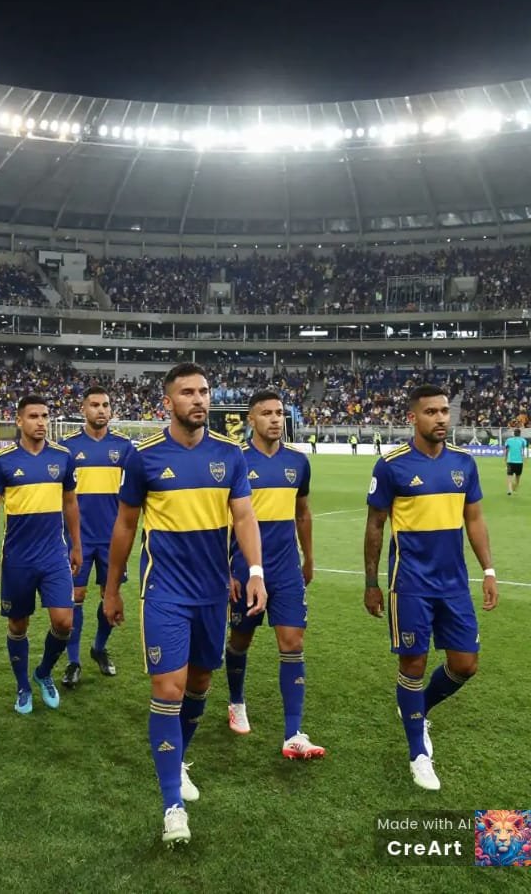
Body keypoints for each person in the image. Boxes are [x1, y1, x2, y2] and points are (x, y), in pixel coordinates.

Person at [104, 362, 267, 847]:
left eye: (204, 391)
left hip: (214, 592)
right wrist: (112, 588)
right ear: (168, 402)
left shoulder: (230, 456)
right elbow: (126, 527)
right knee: (169, 689)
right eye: (188, 392)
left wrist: (255, 572)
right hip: (165, 592)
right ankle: (172, 803)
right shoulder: (144, 457)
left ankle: (178, 760)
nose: (199, 400)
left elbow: (244, 517)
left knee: (199, 683)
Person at [363, 384, 498, 792]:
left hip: (454, 584)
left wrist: (489, 570)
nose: (441, 418)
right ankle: (418, 753)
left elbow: (474, 520)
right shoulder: (392, 466)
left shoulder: (464, 464)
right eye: (431, 412)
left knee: (465, 664)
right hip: (410, 584)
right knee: (414, 666)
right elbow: (375, 526)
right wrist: (371, 582)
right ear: (413, 418)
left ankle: (417, 711)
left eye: (444, 411)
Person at [226, 390, 325, 759]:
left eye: (279, 413)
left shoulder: (297, 462)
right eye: (266, 413)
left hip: (285, 567)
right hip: (244, 569)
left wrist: (309, 557)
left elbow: (303, 512)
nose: (275, 419)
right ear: (251, 419)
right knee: (240, 641)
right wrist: (227, 569)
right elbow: (223, 520)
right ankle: (236, 701)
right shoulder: (235, 460)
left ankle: (294, 733)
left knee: (292, 642)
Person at [0, 395, 82, 714]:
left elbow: (70, 502)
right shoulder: (2, 461)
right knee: (18, 625)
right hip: (17, 558)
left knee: (64, 621)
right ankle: (22, 686)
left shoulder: (63, 457)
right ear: (19, 421)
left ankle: (43, 673)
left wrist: (77, 545)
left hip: (54, 555)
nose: (41, 421)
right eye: (33, 416)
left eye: (45, 415)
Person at [59, 386, 134, 688]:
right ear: (83, 409)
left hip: (113, 538)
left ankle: (99, 648)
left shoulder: (125, 448)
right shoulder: (67, 448)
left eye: (105, 405)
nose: (101, 410)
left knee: (109, 595)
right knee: (75, 597)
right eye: (94, 405)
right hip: (78, 538)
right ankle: (74, 661)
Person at [503, 428, 526, 495]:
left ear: (514, 433)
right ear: (520, 434)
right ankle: (513, 488)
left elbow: (507, 450)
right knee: (517, 478)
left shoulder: (508, 440)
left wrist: (505, 457)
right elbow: (524, 450)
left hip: (510, 461)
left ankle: (510, 489)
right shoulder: (523, 440)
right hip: (519, 461)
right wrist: (525, 458)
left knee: (509, 476)